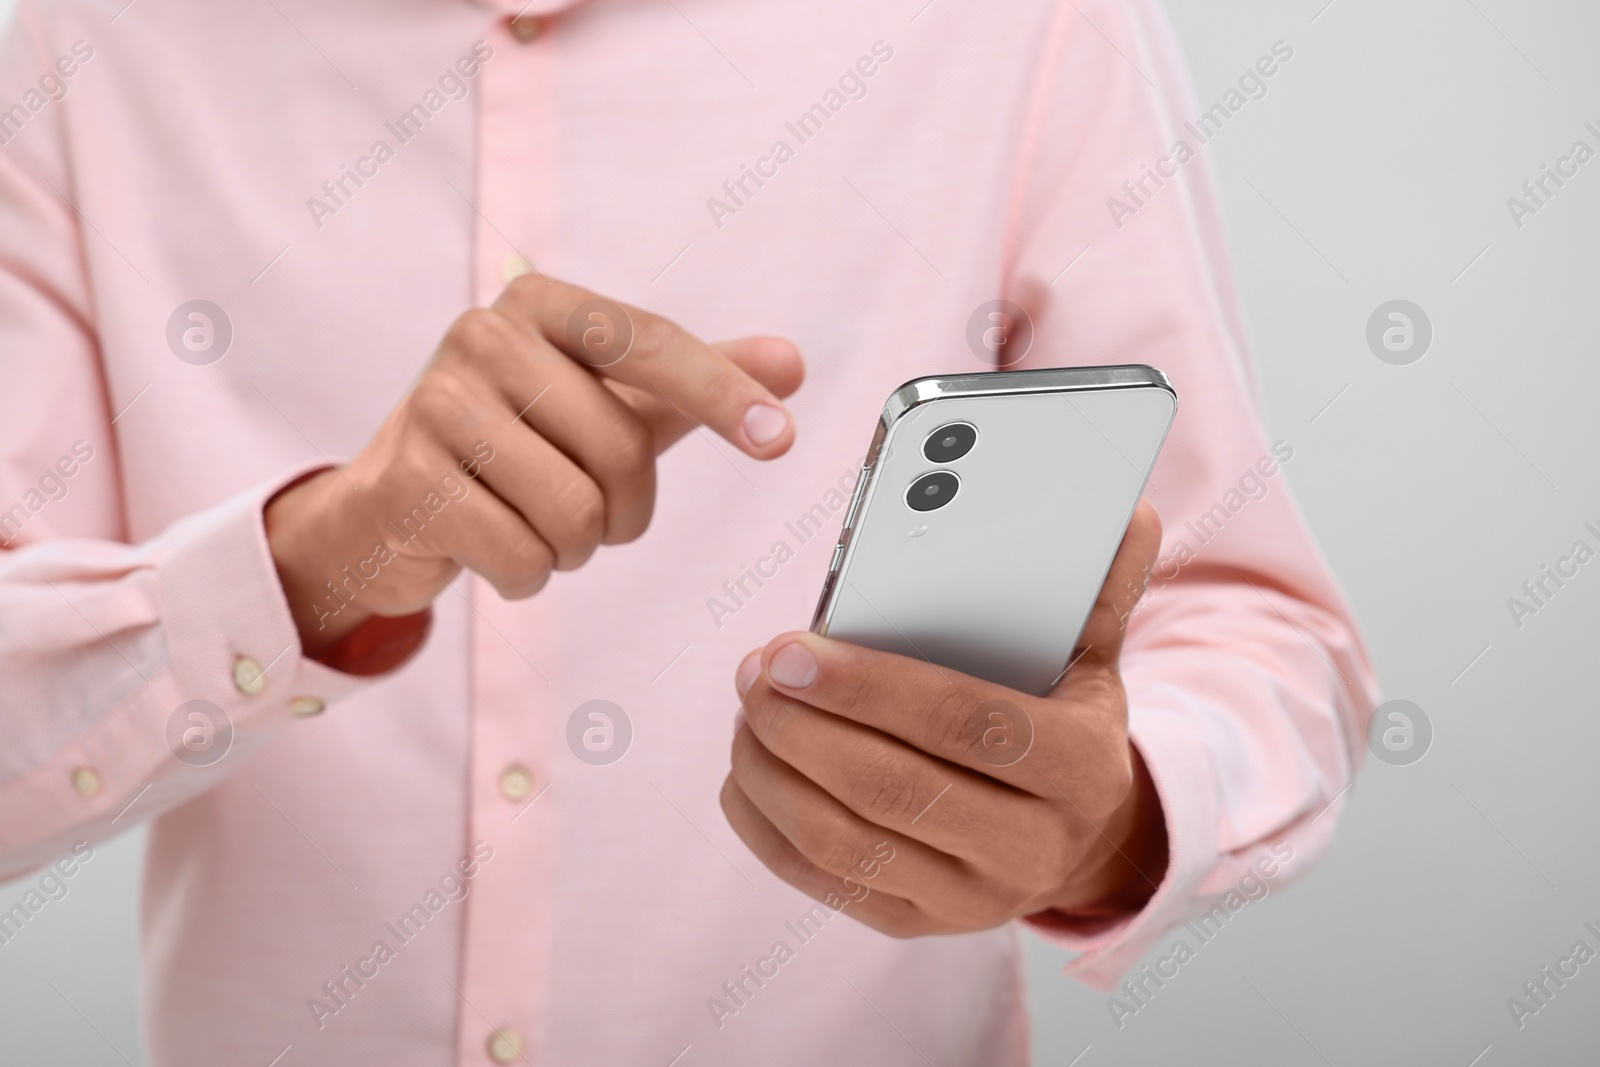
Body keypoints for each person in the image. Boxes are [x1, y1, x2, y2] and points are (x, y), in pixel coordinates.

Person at [0, 0, 1375, 1062]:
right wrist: (309, 566)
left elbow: (1257, 627)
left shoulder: (1015, 22)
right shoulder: (90, 37)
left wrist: (1109, 824)